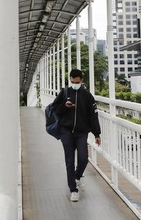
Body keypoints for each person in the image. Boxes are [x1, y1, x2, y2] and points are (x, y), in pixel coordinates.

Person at [51, 68, 101, 202]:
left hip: (81, 132)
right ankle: (73, 189)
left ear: (81, 81)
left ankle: (77, 177)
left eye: (77, 82)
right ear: (70, 80)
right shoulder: (65, 92)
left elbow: (93, 116)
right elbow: (55, 110)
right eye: (73, 82)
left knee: (84, 158)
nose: (75, 84)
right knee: (69, 161)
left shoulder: (87, 96)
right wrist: (64, 106)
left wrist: (97, 133)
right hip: (66, 131)